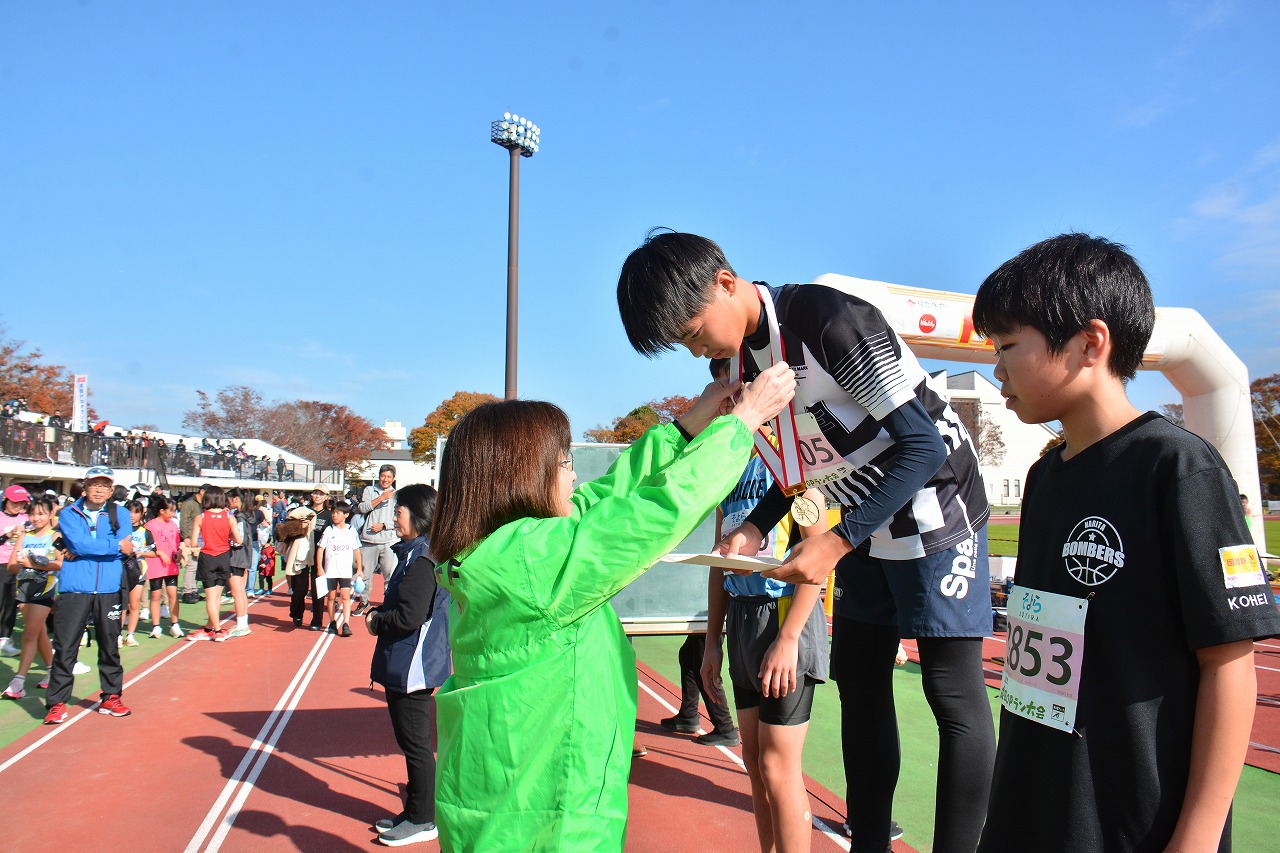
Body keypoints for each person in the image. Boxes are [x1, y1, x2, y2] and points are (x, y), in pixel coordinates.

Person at [617, 231, 995, 853]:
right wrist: (754, 525)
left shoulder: (831, 319)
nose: (694, 351)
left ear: (725, 282)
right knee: (862, 681)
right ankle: (868, 840)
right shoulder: (742, 368)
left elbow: (923, 445)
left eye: (691, 332)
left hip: (936, 501)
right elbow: (800, 472)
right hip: (862, 514)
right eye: (682, 345)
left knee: (950, 691)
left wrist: (840, 539)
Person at [972, 233, 1280, 851]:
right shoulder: (1045, 476)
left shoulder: (1177, 468)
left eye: (1008, 346)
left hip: (1133, 818)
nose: (996, 369)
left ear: (1090, 343)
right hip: (1034, 802)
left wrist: (1193, 839)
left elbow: (1230, 661)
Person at [430, 366, 794, 851]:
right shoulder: (533, 559)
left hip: (506, 793)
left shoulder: (500, 549)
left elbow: (606, 497)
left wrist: (690, 425)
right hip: (546, 813)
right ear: (521, 476)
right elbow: (653, 512)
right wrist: (741, 423)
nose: (574, 474)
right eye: (563, 463)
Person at [365, 484, 450, 847]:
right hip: (407, 661)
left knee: (415, 744)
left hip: (414, 665)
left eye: (398, 511)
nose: (394, 517)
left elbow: (409, 616)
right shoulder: (417, 553)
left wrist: (375, 621)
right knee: (410, 741)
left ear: (418, 515)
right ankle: (413, 811)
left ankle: (422, 819)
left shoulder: (422, 559)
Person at [44, 465, 134, 723]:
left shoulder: (121, 513)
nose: (100, 490)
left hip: (109, 588)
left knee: (110, 646)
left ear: (110, 489)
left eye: (105, 485)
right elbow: (77, 544)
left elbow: (125, 547)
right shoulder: (69, 513)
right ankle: (57, 703)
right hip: (75, 589)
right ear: (85, 486)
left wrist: (92, 548)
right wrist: (112, 545)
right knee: (65, 647)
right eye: (95, 484)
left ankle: (110, 697)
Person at [4, 496, 62, 699]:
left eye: (41, 514)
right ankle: (52, 669)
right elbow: (11, 566)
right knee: (38, 633)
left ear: (50, 514)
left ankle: (18, 681)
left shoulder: (56, 536)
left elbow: (60, 564)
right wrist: (21, 564)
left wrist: (37, 563)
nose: (36, 518)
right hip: (24, 589)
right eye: (32, 514)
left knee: (29, 633)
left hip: (45, 588)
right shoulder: (24, 536)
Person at [187, 485, 242, 642]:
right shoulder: (229, 517)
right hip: (224, 557)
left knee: (211, 597)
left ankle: (216, 630)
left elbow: (193, 542)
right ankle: (209, 628)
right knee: (217, 596)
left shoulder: (201, 517)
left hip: (207, 557)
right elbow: (239, 540)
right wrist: (227, 536)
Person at [317, 500, 362, 637]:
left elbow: (356, 550)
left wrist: (359, 568)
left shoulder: (351, 531)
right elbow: (321, 549)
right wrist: (319, 567)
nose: (334, 515)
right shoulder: (329, 530)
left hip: (345, 571)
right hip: (330, 570)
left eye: (337, 513)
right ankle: (332, 622)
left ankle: (346, 623)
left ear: (346, 515)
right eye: (333, 512)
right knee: (331, 596)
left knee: (345, 596)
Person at [289, 489, 329, 630]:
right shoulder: (302, 511)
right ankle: (296, 613)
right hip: (302, 554)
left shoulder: (329, 514)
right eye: (316, 493)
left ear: (326, 497)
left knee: (317, 589)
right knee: (300, 587)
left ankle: (317, 621)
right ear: (311, 495)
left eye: (322, 494)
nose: (318, 496)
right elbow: (289, 525)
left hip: (319, 556)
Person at [144, 494, 183, 638]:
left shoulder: (173, 525)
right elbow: (147, 546)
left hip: (171, 565)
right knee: (155, 595)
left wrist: (179, 552)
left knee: (173, 594)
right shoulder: (150, 525)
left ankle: (175, 623)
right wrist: (159, 552)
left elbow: (178, 543)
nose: (173, 514)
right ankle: (156, 626)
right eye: (170, 511)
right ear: (162, 511)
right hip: (156, 564)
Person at [120, 499, 158, 647]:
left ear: (142, 514)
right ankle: (117, 635)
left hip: (138, 571)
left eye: (136, 512)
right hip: (121, 569)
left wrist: (140, 554)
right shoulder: (120, 531)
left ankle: (130, 635)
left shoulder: (146, 533)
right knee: (121, 605)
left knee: (134, 604)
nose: (132, 515)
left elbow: (154, 553)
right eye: (129, 511)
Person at [0, 484, 32, 657]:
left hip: (20, 565)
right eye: (15, 503)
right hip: (1, 564)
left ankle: (6, 639)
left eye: (22, 503)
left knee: (12, 604)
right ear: (6, 500)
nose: (19, 506)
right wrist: (8, 535)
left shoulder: (26, 517)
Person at [357, 464, 398, 597]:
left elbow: (399, 518)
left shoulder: (397, 495)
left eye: (388, 477)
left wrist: (384, 525)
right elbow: (362, 508)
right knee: (365, 574)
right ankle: (363, 601)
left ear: (393, 478)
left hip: (388, 540)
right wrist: (381, 498)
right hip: (368, 539)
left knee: (389, 575)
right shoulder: (369, 490)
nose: (385, 479)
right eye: (383, 476)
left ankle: (387, 601)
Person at [224, 489, 254, 638]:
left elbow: (239, 539)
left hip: (237, 558)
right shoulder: (245, 516)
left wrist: (227, 536)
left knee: (237, 592)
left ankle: (242, 624)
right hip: (242, 557)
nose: (227, 503)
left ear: (236, 499)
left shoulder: (239, 518)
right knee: (240, 591)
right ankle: (243, 623)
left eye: (229, 500)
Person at [179, 485, 208, 604]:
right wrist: (186, 537)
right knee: (191, 566)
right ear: (201, 491)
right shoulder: (189, 503)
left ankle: (193, 590)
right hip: (190, 537)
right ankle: (187, 591)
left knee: (197, 566)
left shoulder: (203, 504)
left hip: (200, 538)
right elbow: (184, 520)